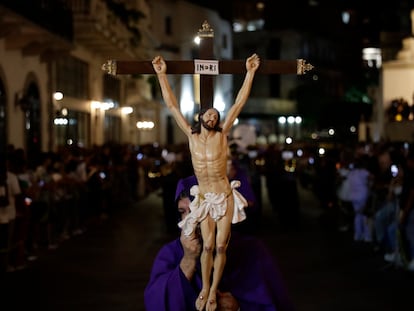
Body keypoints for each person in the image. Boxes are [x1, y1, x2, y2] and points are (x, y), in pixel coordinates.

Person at [152, 53, 260, 310]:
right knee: (208, 246)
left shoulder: (222, 135)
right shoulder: (191, 136)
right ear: (200, 117)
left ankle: (213, 291)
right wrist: (161, 74)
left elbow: (239, 103)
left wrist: (250, 72)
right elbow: (172, 106)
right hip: (204, 197)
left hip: (223, 194)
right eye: (208, 115)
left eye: (215, 116)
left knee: (222, 245)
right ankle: (203, 288)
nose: (212, 118)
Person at [144, 176, 295, 311]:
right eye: (183, 211)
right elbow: (156, 303)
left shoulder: (251, 249)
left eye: (197, 209)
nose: (190, 219)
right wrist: (188, 260)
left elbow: (275, 302)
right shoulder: (170, 253)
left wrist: (238, 307)